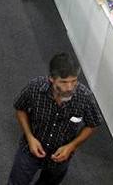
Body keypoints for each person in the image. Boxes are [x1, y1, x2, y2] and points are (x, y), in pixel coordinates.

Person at [8, 52, 101, 185]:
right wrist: (30, 137)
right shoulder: (35, 88)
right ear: (51, 78)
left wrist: (71, 146)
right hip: (29, 150)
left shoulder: (84, 97)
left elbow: (93, 124)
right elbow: (20, 109)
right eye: (63, 82)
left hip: (61, 157)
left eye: (73, 81)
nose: (69, 88)